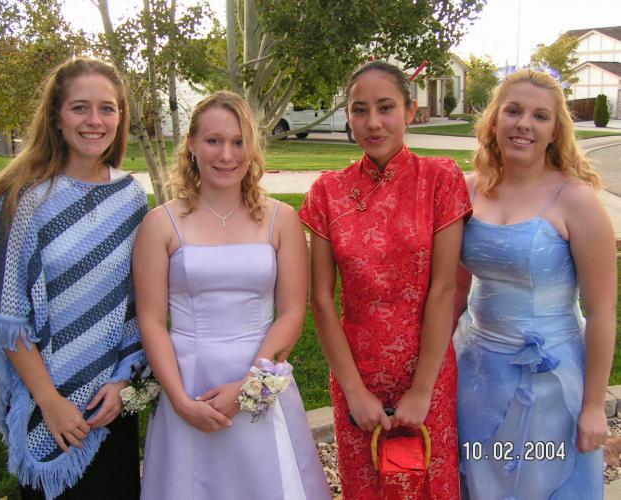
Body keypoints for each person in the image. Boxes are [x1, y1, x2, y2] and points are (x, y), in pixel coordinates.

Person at [0, 58, 148, 499]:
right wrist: (51, 401)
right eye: (80, 108)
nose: (95, 120)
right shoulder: (23, 197)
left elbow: (137, 305)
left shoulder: (131, 198)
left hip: (111, 401)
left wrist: (123, 381)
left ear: (120, 117)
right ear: (56, 117)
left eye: (107, 108)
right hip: (48, 401)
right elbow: (5, 316)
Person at [134, 90, 330, 500]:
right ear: (191, 144)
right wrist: (180, 401)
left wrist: (249, 388)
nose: (227, 154)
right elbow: (151, 321)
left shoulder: (281, 219)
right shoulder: (161, 223)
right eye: (214, 141)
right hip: (188, 381)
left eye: (238, 142)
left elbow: (291, 313)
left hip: (260, 373)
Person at [300, 60, 472, 499]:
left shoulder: (440, 179)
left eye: (385, 107)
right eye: (360, 110)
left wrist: (422, 390)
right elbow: (321, 299)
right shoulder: (328, 191)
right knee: (367, 486)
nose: (373, 122)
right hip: (356, 374)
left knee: (431, 485)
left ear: (410, 111)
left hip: (428, 371)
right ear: (348, 115)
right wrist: (354, 392)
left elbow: (444, 289)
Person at [454, 68, 615, 499]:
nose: (524, 124)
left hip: (549, 383)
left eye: (540, 116)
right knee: (480, 481)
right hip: (475, 372)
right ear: (494, 120)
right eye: (513, 111)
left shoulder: (576, 200)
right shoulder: (467, 191)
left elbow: (601, 312)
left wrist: (594, 407)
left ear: (554, 132)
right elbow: (453, 292)